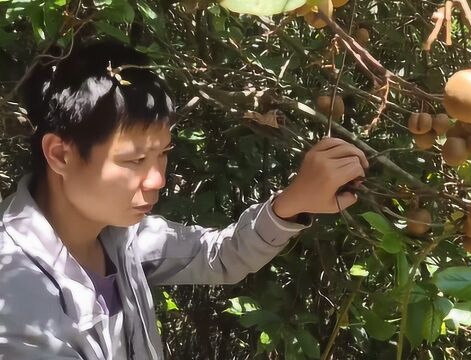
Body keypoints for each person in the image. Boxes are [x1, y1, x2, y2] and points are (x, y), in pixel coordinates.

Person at [0, 39, 368, 359]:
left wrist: (296, 200)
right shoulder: (16, 299)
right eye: (134, 160)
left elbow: (218, 255)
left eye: (163, 153)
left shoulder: (118, 236)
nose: (158, 178)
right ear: (60, 155)